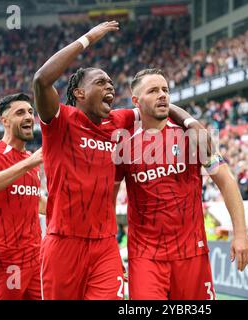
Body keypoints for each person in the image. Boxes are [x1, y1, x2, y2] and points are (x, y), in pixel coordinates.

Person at [33, 22, 196, 300]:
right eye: (100, 82)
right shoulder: (60, 121)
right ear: (79, 94)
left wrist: (190, 122)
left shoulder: (117, 121)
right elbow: (41, 80)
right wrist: (88, 38)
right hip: (63, 242)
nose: (109, 86)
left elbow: (155, 105)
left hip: (106, 246)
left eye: (110, 83)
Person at [114, 68, 248, 300]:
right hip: (146, 258)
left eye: (165, 90)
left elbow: (226, 181)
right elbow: (109, 200)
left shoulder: (193, 137)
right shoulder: (124, 145)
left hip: (192, 254)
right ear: (136, 101)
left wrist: (240, 234)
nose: (162, 95)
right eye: (154, 90)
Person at [0, 93, 45, 300]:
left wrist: (72, 210)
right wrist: (29, 163)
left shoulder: (29, 161)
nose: (29, 117)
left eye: (31, 112)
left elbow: (36, 201)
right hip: (4, 261)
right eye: (20, 112)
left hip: (35, 259)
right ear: (4, 121)